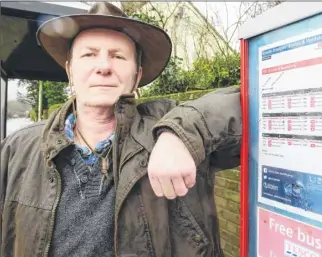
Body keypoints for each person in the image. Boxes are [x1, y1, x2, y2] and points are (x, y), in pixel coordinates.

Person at [0, 2, 241, 257]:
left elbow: (257, 106)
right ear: (70, 70)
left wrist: (181, 134)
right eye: (89, 54)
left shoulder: (171, 127)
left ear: (136, 76)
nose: (103, 67)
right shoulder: (16, 149)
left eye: (117, 56)